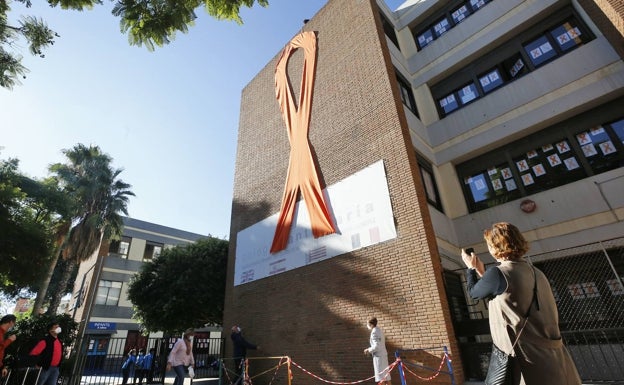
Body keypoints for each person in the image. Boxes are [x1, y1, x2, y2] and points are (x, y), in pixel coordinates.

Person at [461, 222, 581, 385]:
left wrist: (470, 268)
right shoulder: (537, 272)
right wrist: (482, 272)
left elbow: (473, 293)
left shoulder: (498, 273)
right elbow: (506, 293)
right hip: (556, 361)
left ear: (496, 246)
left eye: (489, 245)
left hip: (526, 362)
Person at [363, 317, 390, 385]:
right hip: (384, 356)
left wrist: (368, 350)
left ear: (371, 324)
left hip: (379, 358)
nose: (367, 325)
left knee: (381, 378)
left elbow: (376, 346)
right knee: (387, 377)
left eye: (368, 323)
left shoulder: (374, 332)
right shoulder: (379, 330)